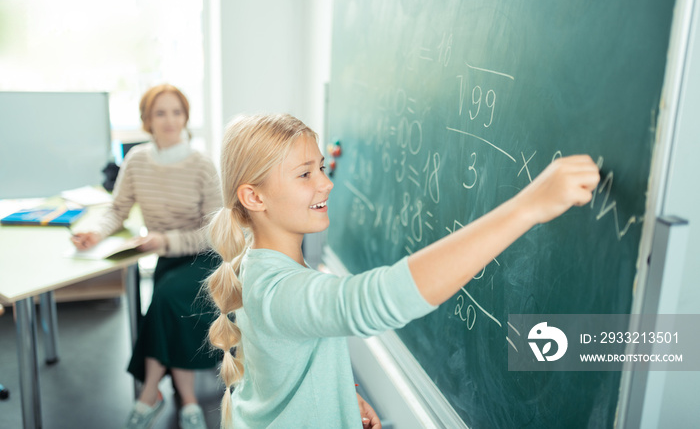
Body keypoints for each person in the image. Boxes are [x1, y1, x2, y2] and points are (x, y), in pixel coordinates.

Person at [205, 113, 600, 428]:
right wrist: (526, 207)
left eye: (322, 168)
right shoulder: (279, 290)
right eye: (305, 174)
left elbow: (279, 369)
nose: (325, 184)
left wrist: (339, 396)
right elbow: (377, 300)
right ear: (254, 197)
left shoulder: (264, 266)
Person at [72, 84, 222, 429]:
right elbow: (117, 209)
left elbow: (215, 232)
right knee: (167, 309)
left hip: (205, 259)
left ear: (186, 117)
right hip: (167, 258)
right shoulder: (137, 160)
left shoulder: (202, 165)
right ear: (146, 121)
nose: (169, 120)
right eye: (160, 113)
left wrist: (165, 241)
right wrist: (95, 233)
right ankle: (187, 400)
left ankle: (150, 392)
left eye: (176, 112)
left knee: (165, 300)